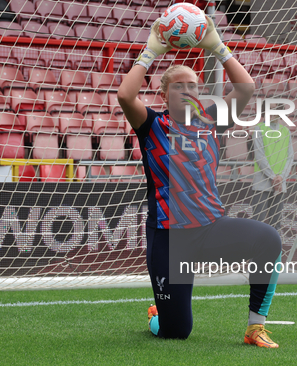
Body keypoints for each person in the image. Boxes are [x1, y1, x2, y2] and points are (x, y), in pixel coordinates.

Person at [117, 16, 283, 348]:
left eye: (193, 85)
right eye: (179, 86)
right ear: (163, 93)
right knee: (176, 331)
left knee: (269, 240)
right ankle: (158, 315)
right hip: (168, 238)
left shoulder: (209, 120)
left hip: (209, 227)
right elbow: (124, 95)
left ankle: (255, 328)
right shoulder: (151, 124)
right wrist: (151, 50)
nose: (188, 90)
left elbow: (247, 88)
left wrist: (216, 46)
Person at [250, 118, 294, 230]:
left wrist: (281, 178)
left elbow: (290, 157)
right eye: (271, 108)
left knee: (277, 225)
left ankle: (275, 248)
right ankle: (255, 248)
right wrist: (274, 177)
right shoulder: (259, 129)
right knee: (257, 223)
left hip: (279, 185)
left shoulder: (286, 131)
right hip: (262, 183)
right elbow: (259, 156)